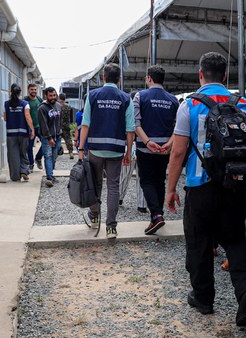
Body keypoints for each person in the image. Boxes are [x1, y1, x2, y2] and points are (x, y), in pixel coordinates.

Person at [165, 51, 246, 327]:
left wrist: (170, 189)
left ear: (200, 74)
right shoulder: (244, 105)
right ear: (224, 76)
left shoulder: (189, 105)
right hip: (235, 185)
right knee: (236, 241)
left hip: (200, 186)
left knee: (198, 242)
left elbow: (178, 152)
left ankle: (203, 298)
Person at [78, 63, 135, 239]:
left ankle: (95, 216)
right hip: (116, 150)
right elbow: (130, 129)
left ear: (103, 77)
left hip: (95, 149)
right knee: (113, 187)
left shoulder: (93, 95)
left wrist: (81, 148)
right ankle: (111, 227)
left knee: (95, 184)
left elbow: (85, 124)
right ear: (119, 79)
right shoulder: (126, 98)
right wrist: (128, 152)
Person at [133, 65, 179, 235]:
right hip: (164, 148)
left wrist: (147, 142)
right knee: (160, 180)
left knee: (146, 181)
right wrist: (169, 143)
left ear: (149, 78)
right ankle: (158, 215)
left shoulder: (140, 96)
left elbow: (136, 123)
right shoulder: (173, 100)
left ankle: (156, 215)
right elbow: (178, 127)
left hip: (145, 148)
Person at [3, 83, 35, 182]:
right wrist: (32, 129)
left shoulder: (6, 104)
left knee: (13, 155)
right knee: (23, 153)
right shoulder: (25, 103)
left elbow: (5, 118)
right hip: (23, 133)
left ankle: (15, 176)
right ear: (20, 93)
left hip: (11, 134)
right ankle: (24, 170)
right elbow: (28, 117)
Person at [37, 87, 62, 187]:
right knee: (48, 156)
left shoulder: (58, 106)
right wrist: (49, 138)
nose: (52, 97)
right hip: (47, 137)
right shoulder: (42, 108)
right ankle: (49, 177)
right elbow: (43, 124)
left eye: (54, 95)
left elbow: (60, 121)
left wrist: (61, 133)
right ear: (46, 96)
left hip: (58, 136)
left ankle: (51, 174)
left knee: (54, 156)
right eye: (50, 96)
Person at [25, 84, 44, 170]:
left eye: (35, 89)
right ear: (28, 90)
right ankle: (31, 164)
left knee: (45, 144)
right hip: (29, 128)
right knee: (29, 147)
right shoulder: (25, 101)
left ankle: (38, 158)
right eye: (32, 89)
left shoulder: (40, 100)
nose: (34, 91)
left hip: (40, 127)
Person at [58, 93, 75, 159]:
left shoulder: (57, 106)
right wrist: (70, 123)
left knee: (57, 139)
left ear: (59, 98)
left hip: (59, 125)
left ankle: (57, 151)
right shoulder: (69, 106)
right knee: (68, 139)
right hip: (66, 125)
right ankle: (71, 152)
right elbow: (71, 117)